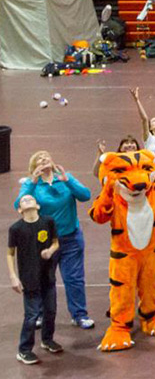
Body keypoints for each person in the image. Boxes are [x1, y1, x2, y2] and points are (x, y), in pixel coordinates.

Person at [15, 151, 94, 329]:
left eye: (46, 157)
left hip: (71, 237)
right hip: (45, 242)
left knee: (74, 278)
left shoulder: (65, 179)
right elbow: (18, 204)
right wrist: (32, 183)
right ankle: (41, 315)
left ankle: (79, 315)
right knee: (44, 280)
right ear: (34, 168)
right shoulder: (31, 185)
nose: (44, 159)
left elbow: (85, 195)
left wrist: (68, 180)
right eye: (39, 159)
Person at [8, 194, 62, 365]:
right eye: (24, 200)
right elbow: (10, 253)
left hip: (47, 274)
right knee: (31, 315)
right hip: (29, 277)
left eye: (30, 199)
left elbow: (55, 242)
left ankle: (47, 339)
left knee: (51, 310)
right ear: (20, 210)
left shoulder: (48, 222)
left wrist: (51, 251)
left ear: (37, 206)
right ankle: (24, 350)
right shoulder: (16, 229)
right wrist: (13, 276)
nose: (27, 201)